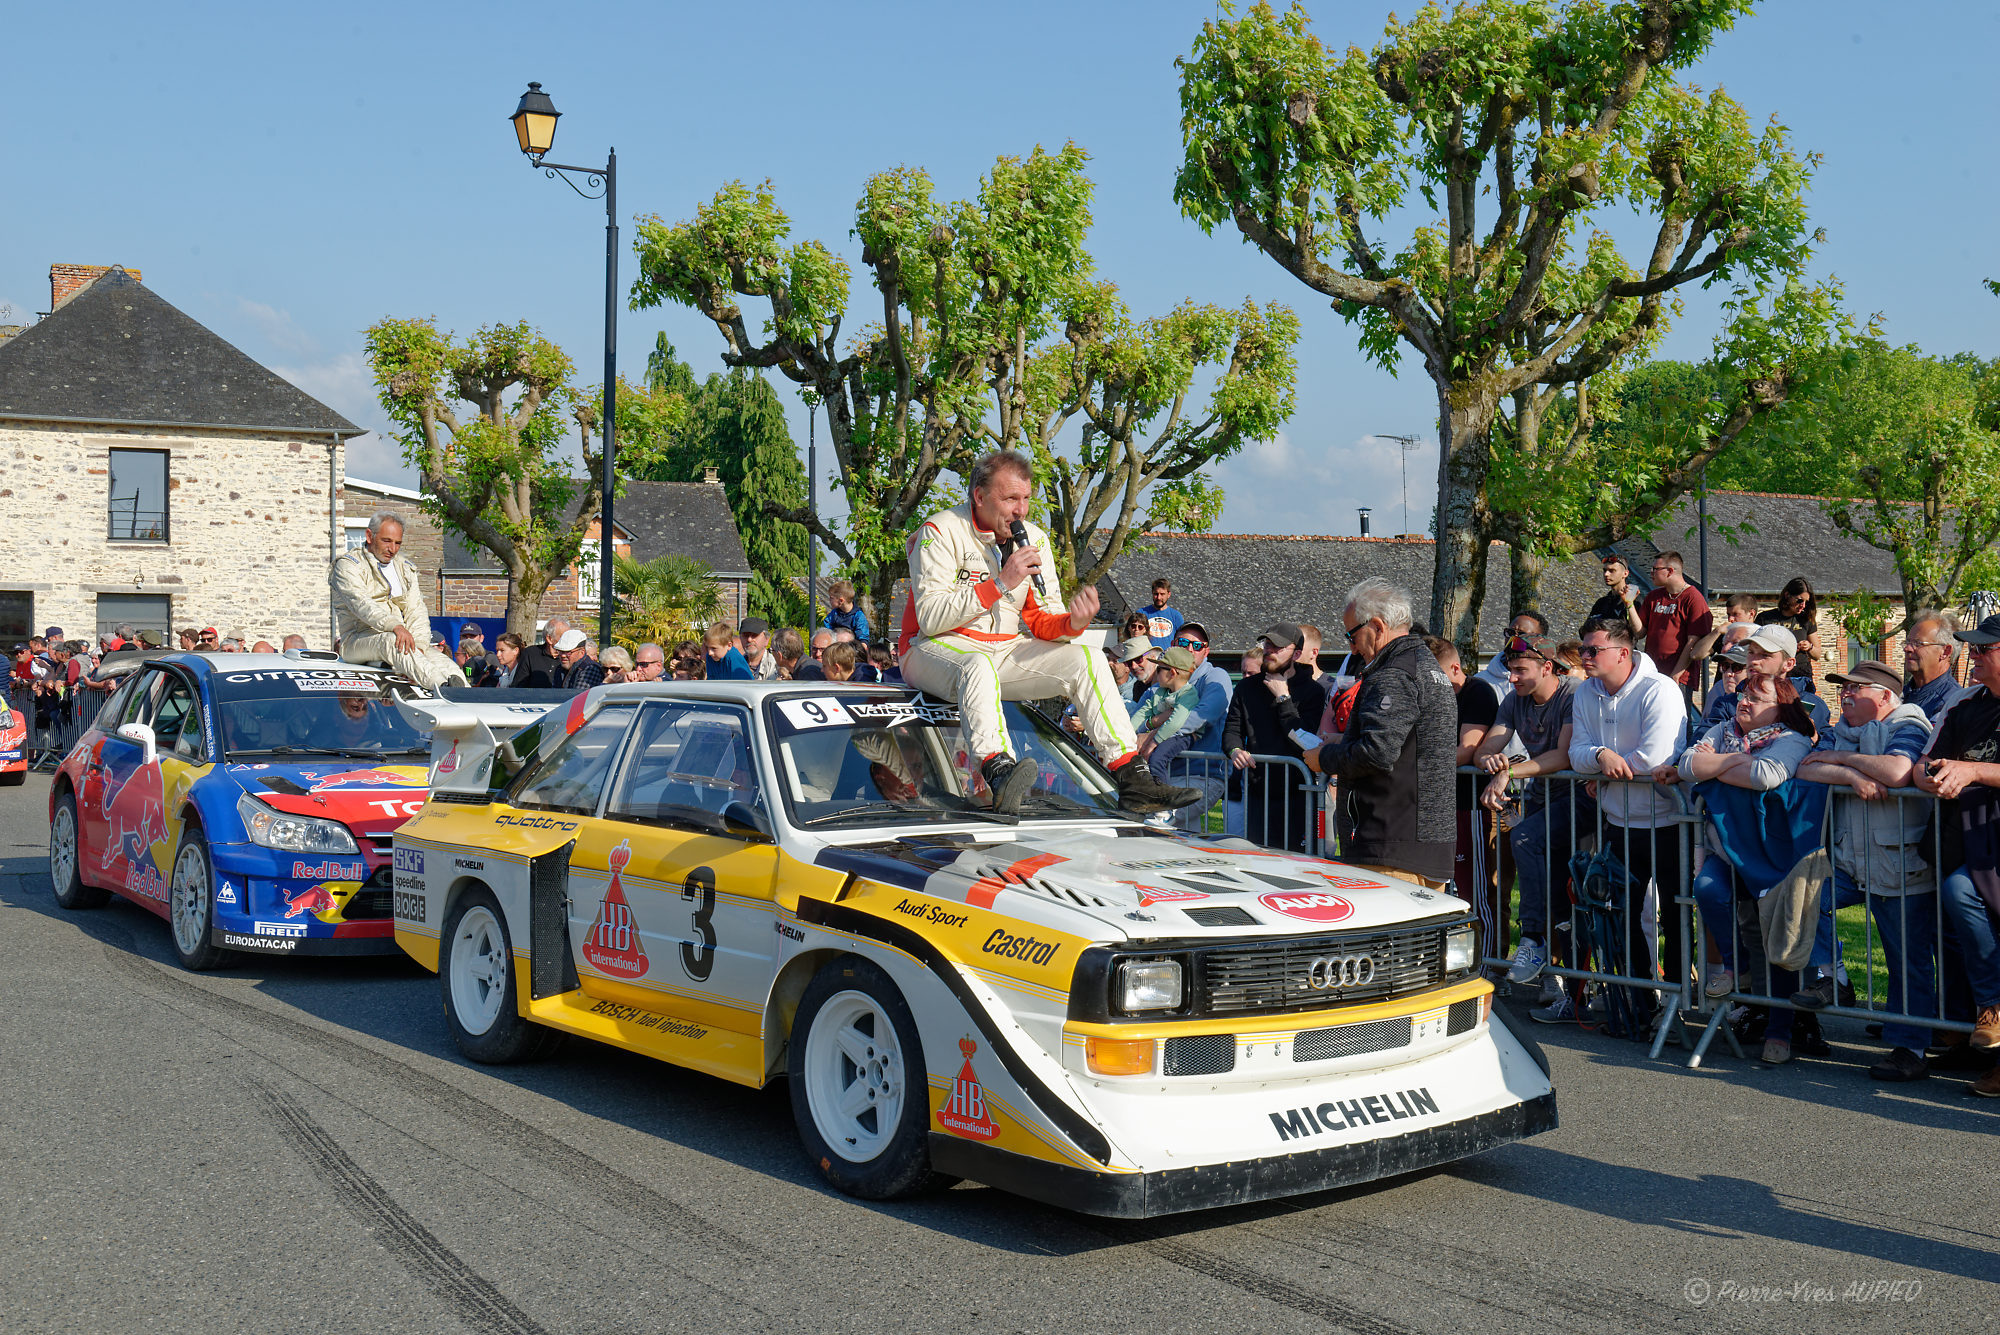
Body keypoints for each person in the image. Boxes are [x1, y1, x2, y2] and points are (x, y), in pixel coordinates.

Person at [896, 451, 1195, 815]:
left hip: (1002, 649)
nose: (1020, 510)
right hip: (932, 647)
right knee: (976, 666)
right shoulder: (941, 530)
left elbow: (1041, 620)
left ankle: (1132, 778)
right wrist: (1001, 582)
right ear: (978, 495)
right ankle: (999, 770)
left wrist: (1073, 623)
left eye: (1026, 499)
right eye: (1010, 499)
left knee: (1085, 658)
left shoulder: (1033, 538)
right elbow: (930, 617)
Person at [1660, 672, 1821, 1063]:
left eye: (1756, 697)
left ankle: (1780, 1031)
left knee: (1777, 937)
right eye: (1743, 695)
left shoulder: (1793, 740)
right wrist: (1736, 760)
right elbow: (1686, 764)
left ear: (1781, 706)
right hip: (1726, 851)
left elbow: (1766, 775)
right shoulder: (1722, 730)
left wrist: (1715, 773)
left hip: (1775, 855)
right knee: (1708, 890)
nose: (1743, 702)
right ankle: (1737, 969)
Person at [1794, 660, 1940, 1080]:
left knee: (1905, 960)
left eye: (1856, 690)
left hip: (1900, 863)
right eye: (1843, 689)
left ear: (1885, 697)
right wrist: (1851, 774)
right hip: (1850, 860)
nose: (1845, 696)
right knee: (1801, 899)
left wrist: (1840, 759)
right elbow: (1807, 766)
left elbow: (1897, 770)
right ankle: (1833, 977)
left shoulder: (1910, 724)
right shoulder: (1846, 731)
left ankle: (1910, 1048)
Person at [1568, 616, 1690, 1022]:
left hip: (1669, 820)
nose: (1585, 657)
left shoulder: (1661, 689)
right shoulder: (1586, 692)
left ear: (1623, 653)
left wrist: (1603, 773)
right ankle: (1640, 997)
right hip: (1619, 822)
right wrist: (1602, 758)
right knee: (1621, 914)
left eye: (1593, 650)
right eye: (1583, 649)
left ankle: (1676, 1001)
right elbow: (1577, 752)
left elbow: (1656, 758)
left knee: (1675, 915)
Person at [1297, 581, 1454, 881]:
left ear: (1378, 627)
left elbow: (1377, 752)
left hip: (1389, 844)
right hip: (1426, 842)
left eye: (1352, 634)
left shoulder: (1394, 673)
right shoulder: (1428, 667)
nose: (1351, 646)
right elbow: (1404, 744)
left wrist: (1325, 758)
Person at [1474, 635, 1589, 1004]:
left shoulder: (1572, 693)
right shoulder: (1514, 700)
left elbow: (1564, 756)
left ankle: (1533, 938)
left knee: (1529, 845)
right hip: (1542, 800)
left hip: (1577, 799)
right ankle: (1560, 986)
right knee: (1552, 886)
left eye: (1520, 670)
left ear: (1547, 668)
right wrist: (1493, 761)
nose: (1511, 678)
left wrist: (1509, 772)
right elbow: (1486, 749)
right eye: (1510, 669)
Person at [1915, 612, 2000, 1096]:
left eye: (1986, 649)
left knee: (1961, 895)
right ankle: (1987, 1014)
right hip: (1969, 840)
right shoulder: (1971, 704)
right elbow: (1928, 761)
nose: (1975, 656)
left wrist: (1972, 771)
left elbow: (1971, 768)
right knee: (1958, 897)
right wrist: (1935, 775)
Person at [330, 512, 466, 690]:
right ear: (369, 536)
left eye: (398, 543)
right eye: (386, 541)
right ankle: (444, 688)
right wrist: (395, 625)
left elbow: (416, 610)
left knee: (442, 661)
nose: (392, 548)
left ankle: (466, 695)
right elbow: (361, 603)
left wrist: (420, 646)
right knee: (391, 641)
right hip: (357, 641)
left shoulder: (405, 568)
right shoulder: (348, 565)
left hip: (402, 639)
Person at [1227, 623, 1331, 853]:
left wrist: (1283, 698)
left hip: (1297, 792)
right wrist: (1235, 751)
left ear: (1296, 653)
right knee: (1258, 859)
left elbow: (1305, 738)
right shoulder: (1246, 687)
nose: (1269, 650)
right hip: (1258, 792)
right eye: (1267, 644)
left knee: (1298, 864)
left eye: (1277, 646)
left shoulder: (1313, 692)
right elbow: (1232, 730)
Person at [1427, 636, 1500, 938]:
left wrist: (1419, 766)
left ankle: (1487, 965)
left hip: (1468, 805)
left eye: (1435, 677)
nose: (1429, 685)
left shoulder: (1477, 692)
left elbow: (1468, 748)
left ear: (1455, 668)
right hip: (1436, 804)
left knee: (1475, 892)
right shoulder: (1430, 695)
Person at [1638, 552, 1711, 694]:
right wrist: (1629, 604)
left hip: (1678, 678)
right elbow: (1639, 632)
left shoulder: (1693, 598)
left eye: (1655, 569)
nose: (1651, 573)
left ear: (1670, 571)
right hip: (1652, 674)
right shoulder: (1653, 596)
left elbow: (1693, 642)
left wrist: (1676, 674)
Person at [1757, 577, 1823, 693]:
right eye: (1799, 600)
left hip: (1800, 674)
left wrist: (1809, 647)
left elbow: (1817, 654)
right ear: (1787, 595)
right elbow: (1754, 648)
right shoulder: (1765, 618)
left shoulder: (1806, 620)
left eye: (1806, 602)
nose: (1803, 605)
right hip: (1773, 672)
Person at [1901, 609, 1966, 723]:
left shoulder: (1951, 704)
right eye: (1907, 642)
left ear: (1945, 651)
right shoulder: (1899, 695)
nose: (1907, 649)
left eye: (1917, 643)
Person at [1586, 557, 1645, 639]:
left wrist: (1629, 605)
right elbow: (1584, 632)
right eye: (1605, 570)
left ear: (1625, 574)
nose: (1606, 574)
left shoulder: (1636, 601)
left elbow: (1639, 634)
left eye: (1612, 571)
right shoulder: (1602, 602)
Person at [1144, 578, 1184, 649]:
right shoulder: (1142, 614)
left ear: (1168, 594)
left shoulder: (1176, 616)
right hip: (1147, 657)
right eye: (1156, 594)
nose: (1159, 597)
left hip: (1168, 658)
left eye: (1162, 594)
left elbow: (1182, 640)